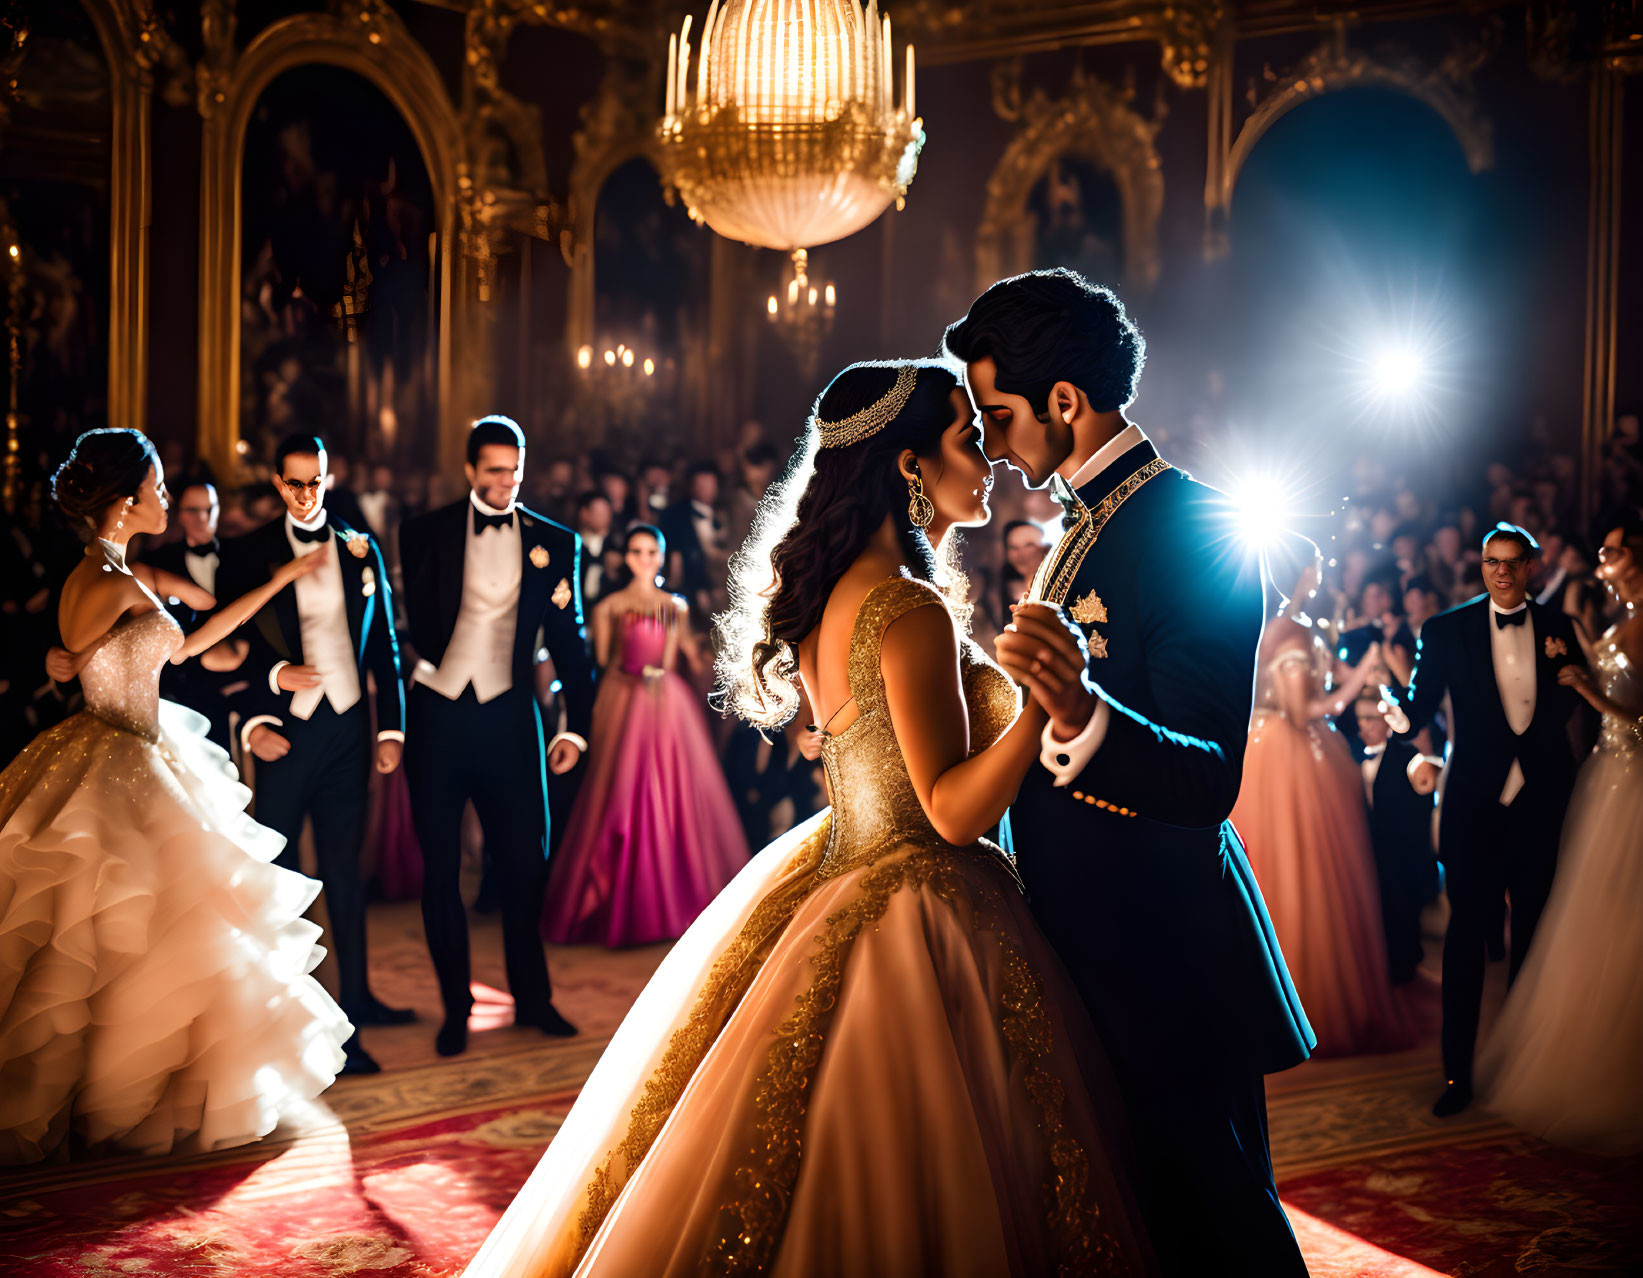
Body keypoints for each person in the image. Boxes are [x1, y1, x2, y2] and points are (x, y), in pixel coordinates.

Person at [460, 360, 1153, 1278]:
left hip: (843, 867)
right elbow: (947, 814)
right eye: (963, 437)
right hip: (923, 897)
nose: (985, 455)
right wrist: (1037, 706)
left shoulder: (846, 591)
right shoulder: (906, 607)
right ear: (909, 466)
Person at [944, 268, 1311, 1277]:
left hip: (1165, 956)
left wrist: (1081, 714)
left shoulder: (1192, 524)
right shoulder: (1080, 522)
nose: (991, 441)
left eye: (999, 413)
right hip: (1093, 944)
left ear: (1064, 401)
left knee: (1220, 1230)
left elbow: (1206, 781)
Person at [0, 428, 349, 1163]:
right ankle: (107, 1094)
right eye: (157, 489)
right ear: (127, 502)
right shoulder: (106, 579)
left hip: (145, 743)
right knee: (115, 932)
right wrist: (60, 657)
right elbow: (71, 653)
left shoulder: (118, 570)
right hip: (119, 751)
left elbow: (189, 648)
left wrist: (278, 583)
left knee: (139, 935)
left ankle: (129, 1086)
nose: (165, 498)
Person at [397, 415, 595, 1058]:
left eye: (515, 470)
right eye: (493, 471)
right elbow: (413, 627)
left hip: (513, 720)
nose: (506, 482)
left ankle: (532, 999)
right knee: (442, 872)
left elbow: (571, 641)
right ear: (469, 471)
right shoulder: (423, 533)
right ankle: (458, 1008)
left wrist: (576, 726)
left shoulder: (554, 541)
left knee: (525, 866)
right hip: (439, 716)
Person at [219, 432, 413, 1075]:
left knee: (345, 875)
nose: (306, 494)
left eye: (315, 481)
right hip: (285, 736)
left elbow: (384, 641)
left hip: (350, 733)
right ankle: (277, 1022)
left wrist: (391, 731)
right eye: (293, 483)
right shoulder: (248, 554)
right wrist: (269, 691)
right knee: (278, 881)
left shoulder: (361, 547)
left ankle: (354, 1011)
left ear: (330, 477)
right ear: (277, 483)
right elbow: (222, 650)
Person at [1384, 522, 1586, 1117]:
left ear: (1532, 567)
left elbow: (1574, 697)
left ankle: (1525, 1066)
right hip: (1473, 804)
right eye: (1492, 562)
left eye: (1513, 562)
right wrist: (1398, 719)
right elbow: (1420, 704)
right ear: (1481, 567)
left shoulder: (1557, 628)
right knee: (1466, 942)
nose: (1502, 571)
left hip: (1542, 799)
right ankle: (1458, 1076)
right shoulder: (1446, 629)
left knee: (1534, 934)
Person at [1476, 519, 1643, 1153]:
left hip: (1632, 780)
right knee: (1589, 916)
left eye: (1613, 549)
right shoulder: (1611, 613)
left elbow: (1638, 714)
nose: (1603, 556)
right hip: (1604, 776)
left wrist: (1588, 692)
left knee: (1621, 919)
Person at [1229, 533, 1416, 1055]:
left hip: (1288, 750)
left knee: (1307, 869)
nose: (1321, 572)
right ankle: (1305, 1002)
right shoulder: (1287, 632)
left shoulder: (1299, 627)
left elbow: (1323, 676)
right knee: (1298, 869)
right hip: (1286, 752)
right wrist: (1356, 685)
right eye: (1316, 565)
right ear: (1303, 573)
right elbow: (1302, 710)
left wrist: (1364, 663)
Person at [541, 525, 748, 946]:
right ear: (627, 557)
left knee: (671, 792)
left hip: (666, 703)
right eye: (637, 551)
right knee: (615, 791)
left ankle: (670, 898)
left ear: (661, 555)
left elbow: (672, 659)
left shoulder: (675, 606)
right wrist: (631, 678)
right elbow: (604, 661)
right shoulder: (609, 607)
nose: (644, 558)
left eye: (651, 551)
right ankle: (612, 899)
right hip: (621, 698)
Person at [141, 476, 243, 752]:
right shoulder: (158, 564)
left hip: (236, 687)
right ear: (179, 515)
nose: (203, 518)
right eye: (193, 510)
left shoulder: (243, 557)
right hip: (180, 692)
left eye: (210, 509)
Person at [1353, 695, 1439, 986]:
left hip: (1402, 853)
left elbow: (1423, 802)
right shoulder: (1354, 756)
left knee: (1402, 913)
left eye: (1371, 718)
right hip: (1371, 851)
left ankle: (1405, 970)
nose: (1364, 726)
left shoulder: (1406, 756)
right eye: (1360, 719)